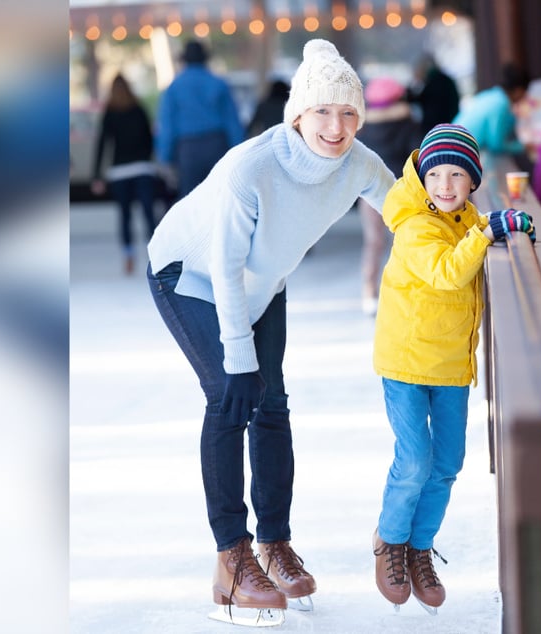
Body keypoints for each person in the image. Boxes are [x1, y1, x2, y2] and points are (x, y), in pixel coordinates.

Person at [146, 39, 396, 623]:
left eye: (349, 112)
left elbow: (408, 211)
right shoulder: (249, 169)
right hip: (191, 274)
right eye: (323, 112)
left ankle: (274, 543)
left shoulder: (357, 161)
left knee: (274, 406)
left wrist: (473, 225)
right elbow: (226, 265)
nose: (336, 127)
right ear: (298, 114)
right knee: (231, 398)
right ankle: (230, 562)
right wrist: (238, 356)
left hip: (265, 282)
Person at [370, 124, 535, 612]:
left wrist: (507, 226)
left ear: (472, 183)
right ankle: (390, 541)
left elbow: (482, 238)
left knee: (446, 466)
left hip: (450, 364)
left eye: (457, 175)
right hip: (406, 359)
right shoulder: (416, 225)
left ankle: (420, 548)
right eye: (436, 173)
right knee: (416, 458)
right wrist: (488, 231)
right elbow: (446, 273)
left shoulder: (466, 218)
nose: (445, 184)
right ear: (422, 178)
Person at [355, 77, 419, 315]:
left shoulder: (363, 128)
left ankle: (369, 293)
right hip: (402, 191)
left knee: (373, 242)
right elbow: (417, 156)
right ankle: (406, 292)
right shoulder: (409, 122)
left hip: (369, 191)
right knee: (404, 241)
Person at [155, 40, 245, 200]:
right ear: (205, 59)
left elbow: (168, 125)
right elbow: (232, 122)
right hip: (217, 145)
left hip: (188, 149)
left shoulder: (174, 87)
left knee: (190, 199)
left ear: (184, 60)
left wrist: (165, 157)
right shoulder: (219, 84)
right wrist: (239, 150)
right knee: (220, 195)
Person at [91, 73, 158, 275]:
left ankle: (128, 256)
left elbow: (103, 143)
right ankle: (155, 255)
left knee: (125, 215)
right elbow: (149, 137)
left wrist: (97, 175)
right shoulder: (138, 109)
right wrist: (147, 158)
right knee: (148, 213)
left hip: (119, 170)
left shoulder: (109, 112)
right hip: (142, 168)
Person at [453, 62, 535, 165]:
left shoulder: (493, 95)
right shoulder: (501, 104)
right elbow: (496, 145)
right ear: (519, 90)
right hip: (462, 153)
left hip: (455, 146)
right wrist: (522, 146)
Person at [407, 55, 461, 137]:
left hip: (434, 127)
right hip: (450, 124)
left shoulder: (432, 82)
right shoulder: (446, 80)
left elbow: (418, 98)